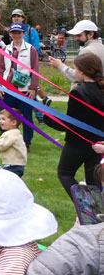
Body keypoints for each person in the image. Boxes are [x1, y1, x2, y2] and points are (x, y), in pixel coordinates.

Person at [42, 52, 104, 204]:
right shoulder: (100, 89)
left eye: (75, 69)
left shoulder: (78, 92)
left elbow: (70, 123)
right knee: (93, 179)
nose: (75, 72)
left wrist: (47, 118)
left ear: (83, 71)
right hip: (98, 144)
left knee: (65, 173)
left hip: (77, 143)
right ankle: (97, 213)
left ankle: (86, 206)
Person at [0, 22, 39, 149]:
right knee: (5, 116)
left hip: (25, 90)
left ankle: (26, 143)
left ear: (23, 34)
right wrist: (0, 85)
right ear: (10, 34)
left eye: (19, 33)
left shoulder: (31, 49)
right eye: (13, 33)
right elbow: (0, 69)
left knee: (27, 118)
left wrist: (33, 88)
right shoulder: (5, 49)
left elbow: (35, 70)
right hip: (8, 90)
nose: (16, 35)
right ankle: (6, 140)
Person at [0, 109, 28, 177]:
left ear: (13, 122)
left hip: (12, 167)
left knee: (8, 184)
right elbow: (2, 142)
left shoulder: (9, 134)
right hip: (18, 166)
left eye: (3, 119)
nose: (0, 121)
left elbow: (1, 146)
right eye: (0, 119)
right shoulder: (16, 133)